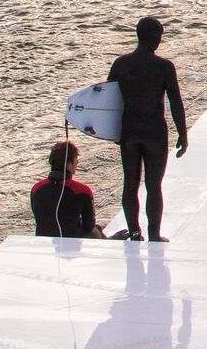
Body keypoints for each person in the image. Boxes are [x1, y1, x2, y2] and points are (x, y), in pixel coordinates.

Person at [108, 16, 188, 242]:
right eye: (160, 36)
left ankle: (135, 233)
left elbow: (107, 100)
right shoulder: (164, 67)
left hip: (129, 131)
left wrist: (112, 131)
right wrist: (183, 133)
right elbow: (175, 101)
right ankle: (154, 234)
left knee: (130, 184)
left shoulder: (121, 64)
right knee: (154, 186)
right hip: (154, 132)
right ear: (153, 37)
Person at [31, 140, 105, 238]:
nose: (77, 162)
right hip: (72, 242)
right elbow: (88, 226)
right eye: (75, 159)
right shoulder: (82, 190)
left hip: (44, 241)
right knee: (96, 230)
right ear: (69, 164)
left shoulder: (36, 188)